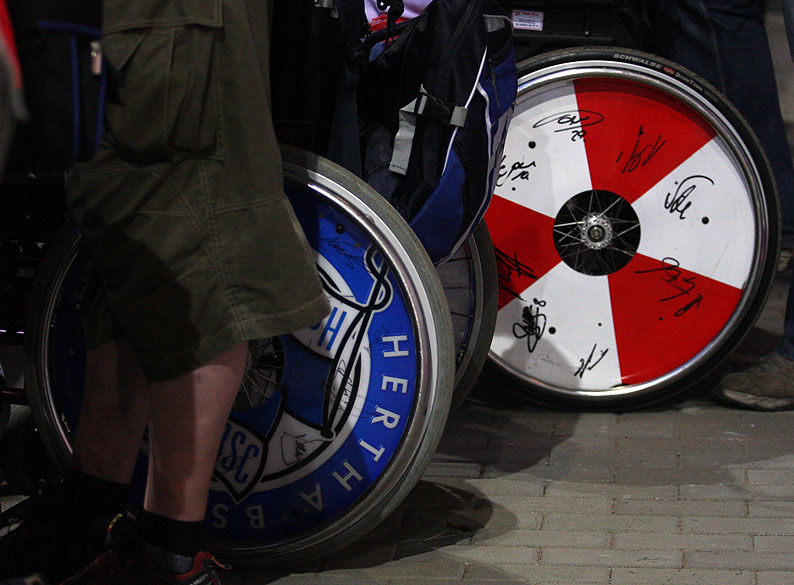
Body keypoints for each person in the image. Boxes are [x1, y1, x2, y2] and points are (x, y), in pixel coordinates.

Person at [0, 0, 330, 583]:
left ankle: (169, 552)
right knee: (125, 242)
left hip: (171, 18)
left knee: (189, 239)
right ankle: (90, 510)